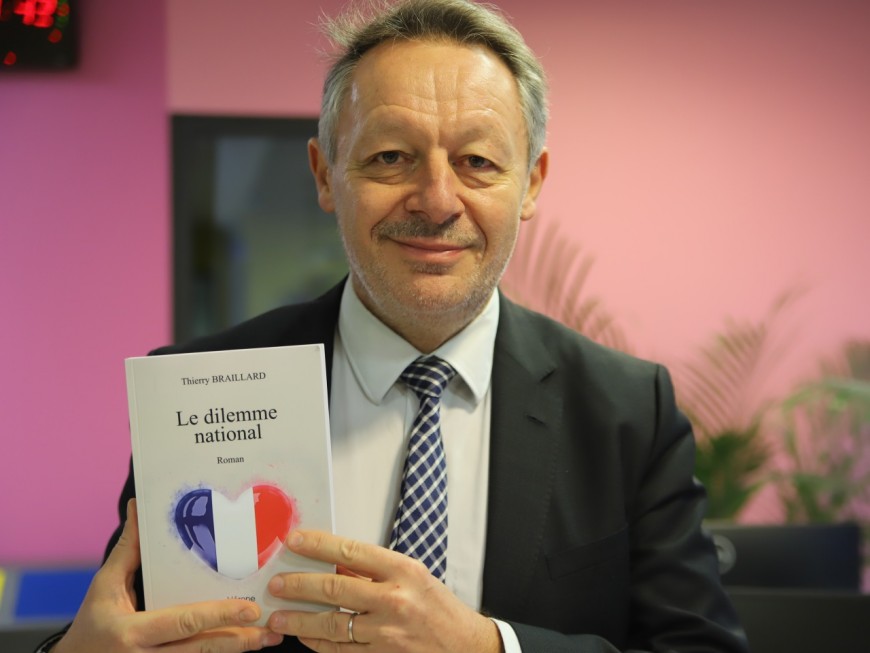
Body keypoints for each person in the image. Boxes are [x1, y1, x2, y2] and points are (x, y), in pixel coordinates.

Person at [39, 1, 749, 651]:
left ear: (530, 183)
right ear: (325, 174)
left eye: (477, 161)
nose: (437, 200)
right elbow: (120, 628)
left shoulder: (628, 411)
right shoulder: (194, 391)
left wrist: (489, 647)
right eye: (390, 157)